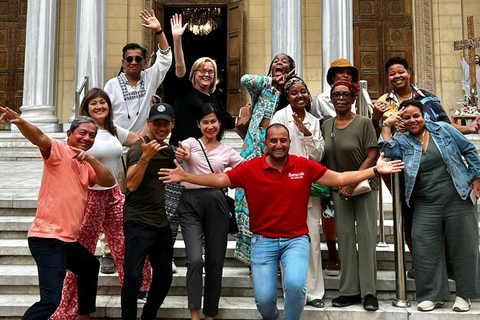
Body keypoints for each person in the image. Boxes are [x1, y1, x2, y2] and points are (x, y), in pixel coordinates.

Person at [159, 123, 404, 320]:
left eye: (283, 140)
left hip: (295, 240)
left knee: (296, 286)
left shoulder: (303, 166)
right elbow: (220, 180)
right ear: (265, 143)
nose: (278, 145)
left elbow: (340, 178)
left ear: (289, 142)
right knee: (264, 299)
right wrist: (186, 176)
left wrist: (374, 170)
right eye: (273, 140)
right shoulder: (251, 169)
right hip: (263, 241)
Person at [0, 107, 115, 320]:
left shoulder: (86, 165)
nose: (87, 138)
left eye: (92, 135)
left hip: (66, 241)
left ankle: (83, 315)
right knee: (51, 301)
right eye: (82, 133)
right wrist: (20, 121)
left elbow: (109, 181)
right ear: (69, 134)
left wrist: (91, 160)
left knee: (90, 265)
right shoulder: (59, 150)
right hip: (46, 239)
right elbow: (40, 137)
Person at [372, 56, 480, 279]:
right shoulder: (382, 102)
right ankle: (420, 263)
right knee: (409, 215)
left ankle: (448, 263)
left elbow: (444, 125)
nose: (397, 76)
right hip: (400, 163)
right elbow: (379, 133)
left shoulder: (428, 98)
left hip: (433, 164)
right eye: (392, 73)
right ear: (388, 77)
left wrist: (468, 130)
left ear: (409, 73)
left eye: (401, 71)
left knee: (440, 215)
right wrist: (376, 116)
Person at [50, 88, 152, 320]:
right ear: (87, 107)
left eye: (103, 102)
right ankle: (69, 307)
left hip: (114, 194)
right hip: (89, 197)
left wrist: (150, 117)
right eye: (94, 103)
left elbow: (140, 140)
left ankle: (137, 288)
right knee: (82, 253)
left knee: (127, 243)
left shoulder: (115, 130)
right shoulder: (83, 133)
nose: (99, 106)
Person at [379, 99, 480, 312]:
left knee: (464, 247)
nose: (412, 120)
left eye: (416, 115)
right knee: (424, 247)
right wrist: (386, 125)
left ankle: (465, 294)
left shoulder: (443, 130)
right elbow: (388, 153)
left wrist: (475, 176)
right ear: (401, 120)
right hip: (425, 202)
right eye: (406, 117)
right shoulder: (403, 140)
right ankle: (433, 295)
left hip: (457, 197)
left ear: (424, 115)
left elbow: (469, 150)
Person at [174, 103, 243, 320]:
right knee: (194, 259)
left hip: (217, 203)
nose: (210, 126)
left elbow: (244, 171)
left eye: (213, 121)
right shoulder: (190, 144)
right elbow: (182, 154)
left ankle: (210, 314)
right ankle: (194, 313)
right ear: (198, 125)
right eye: (205, 122)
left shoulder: (227, 151)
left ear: (220, 123)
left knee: (215, 261)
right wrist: (183, 155)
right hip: (189, 204)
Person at [321, 81, 380, 311]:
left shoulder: (364, 123)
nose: (341, 98)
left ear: (354, 98)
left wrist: (352, 180)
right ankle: (349, 291)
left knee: (365, 237)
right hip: (338, 189)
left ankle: (369, 292)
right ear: (331, 98)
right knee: (344, 236)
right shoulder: (326, 125)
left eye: (346, 94)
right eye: (337, 94)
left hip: (363, 186)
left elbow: (372, 154)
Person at [234, 53, 296, 264]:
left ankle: (277, 257)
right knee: (248, 202)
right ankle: (253, 257)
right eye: (275, 61)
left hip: (280, 151)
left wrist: (289, 84)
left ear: (292, 69)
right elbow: (244, 79)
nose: (279, 63)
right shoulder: (263, 88)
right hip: (254, 149)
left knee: (276, 202)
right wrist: (272, 80)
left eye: (284, 61)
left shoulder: (293, 91)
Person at [271, 77, 326, 308]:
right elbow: (274, 148)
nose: (300, 96)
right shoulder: (280, 117)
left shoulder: (314, 121)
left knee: (311, 240)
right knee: (286, 241)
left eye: (303, 91)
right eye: (294, 93)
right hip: (283, 188)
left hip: (308, 189)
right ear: (288, 96)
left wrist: (305, 133)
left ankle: (313, 293)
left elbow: (319, 155)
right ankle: (293, 292)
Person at [121, 102, 176, 320]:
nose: (161, 127)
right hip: (137, 221)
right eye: (156, 123)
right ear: (148, 123)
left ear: (172, 125)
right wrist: (145, 157)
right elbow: (131, 185)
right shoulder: (138, 148)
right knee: (133, 277)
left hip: (161, 223)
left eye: (165, 123)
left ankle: (148, 316)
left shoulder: (168, 150)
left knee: (163, 277)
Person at [310, 58, 360, 276]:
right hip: (329, 157)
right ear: (331, 77)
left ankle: (352, 255)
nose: (345, 75)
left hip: (352, 156)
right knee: (328, 208)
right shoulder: (321, 100)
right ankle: (332, 255)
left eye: (348, 73)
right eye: (340, 72)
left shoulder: (359, 99)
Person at [168, 13, 234, 147]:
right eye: (202, 71)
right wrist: (177, 39)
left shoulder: (214, 100)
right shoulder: (185, 91)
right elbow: (179, 66)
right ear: (194, 73)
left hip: (205, 154)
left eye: (210, 72)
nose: (206, 74)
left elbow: (230, 122)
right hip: (181, 150)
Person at [104, 9, 172, 135]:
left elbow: (165, 59)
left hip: (145, 143)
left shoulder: (150, 77)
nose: (134, 62)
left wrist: (159, 31)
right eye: (129, 59)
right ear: (123, 63)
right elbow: (104, 115)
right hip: (119, 143)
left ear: (145, 63)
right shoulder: (111, 85)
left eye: (138, 59)